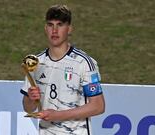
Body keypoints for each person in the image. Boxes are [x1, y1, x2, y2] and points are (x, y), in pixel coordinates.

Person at [20, 4, 105, 135]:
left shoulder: (84, 63)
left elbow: (98, 106)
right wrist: (30, 98)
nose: (54, 30)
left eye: (60, 25)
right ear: (45, 28)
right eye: (50, 25)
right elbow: (28, 108)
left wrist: (58, 115)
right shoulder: (35, 63)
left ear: (69, 29)